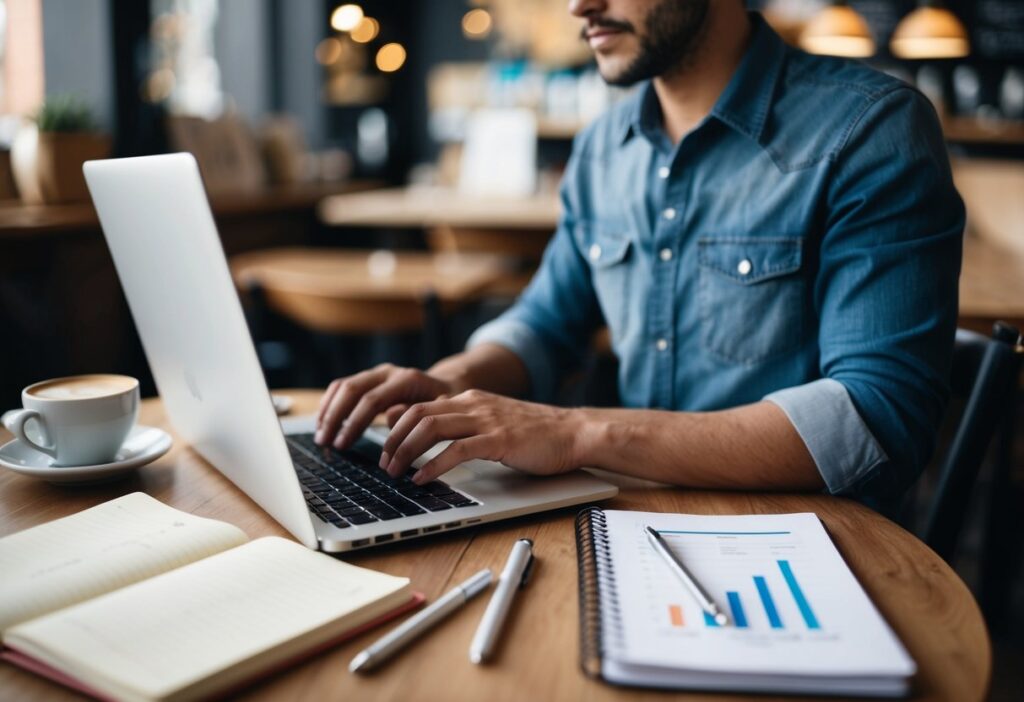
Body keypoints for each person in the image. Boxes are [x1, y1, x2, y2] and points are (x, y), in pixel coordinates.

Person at [315, 0, 964, 508]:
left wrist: (577, 434)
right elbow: (544, 322)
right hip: (630, 524)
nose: (578, 6)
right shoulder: (603, 149)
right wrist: (455, 384)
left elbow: (874, 417)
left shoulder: (870, 130)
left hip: (810, 542)